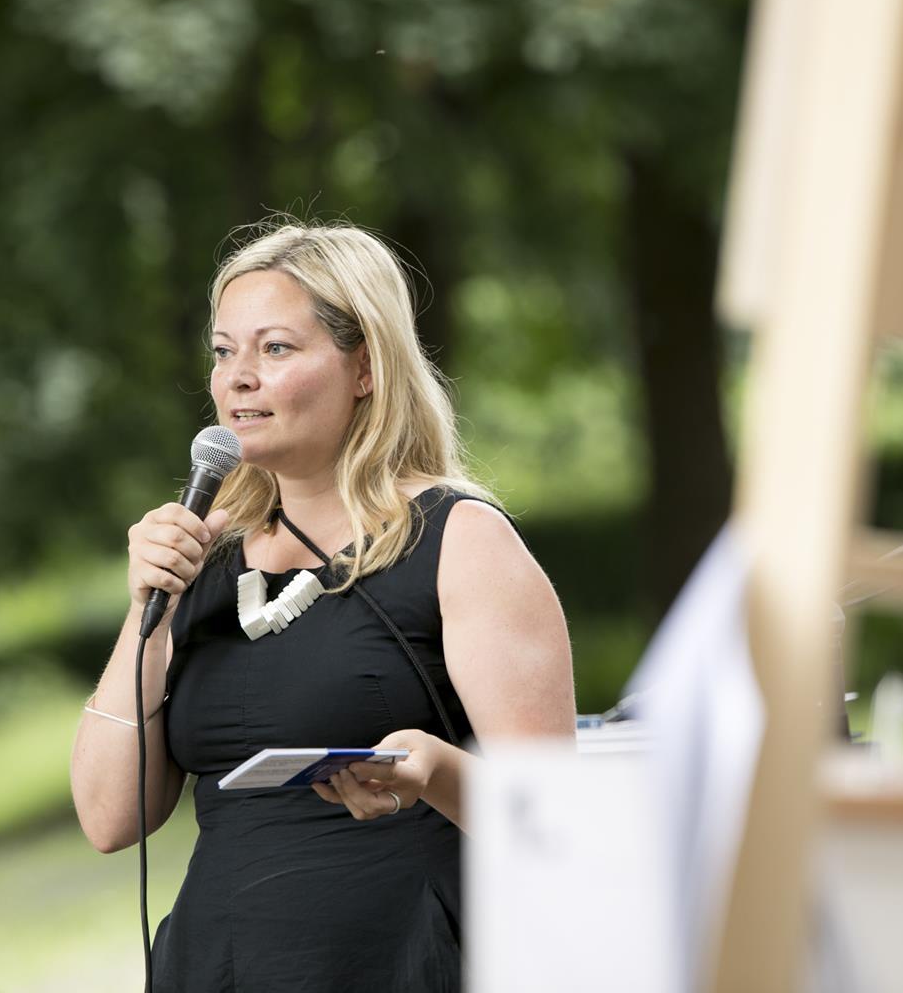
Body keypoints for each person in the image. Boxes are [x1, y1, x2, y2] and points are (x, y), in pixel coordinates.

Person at [70, 219, 576, 992]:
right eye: (223, 351)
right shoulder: (207, 558)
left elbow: (558, 826)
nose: (238, 378)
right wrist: (151, 605)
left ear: (365, 367)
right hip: (215, 970)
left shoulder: (458, 539)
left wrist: (436, 771)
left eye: (274, 348)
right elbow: (111, 819)